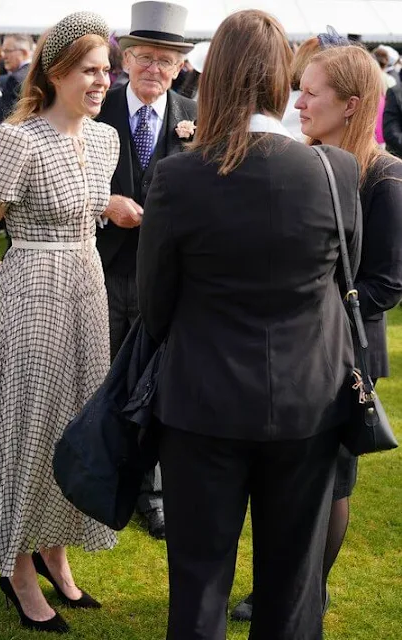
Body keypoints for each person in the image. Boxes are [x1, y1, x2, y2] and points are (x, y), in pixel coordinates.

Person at [137, 10, 362, 640]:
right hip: (306, 403)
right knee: (292, 591)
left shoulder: (180, 175)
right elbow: (341, 280)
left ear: (213, 78)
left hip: (203, 403)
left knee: (200, 585)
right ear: (278, 79)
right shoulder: (334, 171)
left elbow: (156, 306)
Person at [0, 12, 119, 634]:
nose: (103, 80)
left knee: (78, 423)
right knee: (27, 426)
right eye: (90, 70)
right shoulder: (16, 139)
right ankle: (18, 564)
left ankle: (56, 548)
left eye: (107, 69)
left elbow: (90, 201)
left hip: (88, 286)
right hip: (29, 288)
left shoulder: (104, 139)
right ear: (56, 72)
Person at [294, 41, 402, 614]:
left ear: (353, 105)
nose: (300, 101)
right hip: (303, 348)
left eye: (312, 93)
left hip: (349, 355)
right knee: (297, 478)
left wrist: (316, 312)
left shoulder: (385, 179)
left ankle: (306, 590)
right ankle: (292, 586)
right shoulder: (307, 161)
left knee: (332, 483)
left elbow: (388, 282)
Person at [96, 0, 197, 540]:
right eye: (143, 56)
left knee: (157, 382)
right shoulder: (97, 109)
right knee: (102, 375)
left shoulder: (196, 118)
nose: (154, 67)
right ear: (125, 59)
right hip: (101, 270)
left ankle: (152, 490)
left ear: (179, 66)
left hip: (167, 278)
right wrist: (104, 201)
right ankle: (102, 474)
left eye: (165, 59)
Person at [0, 33, 33, 117]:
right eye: (3, 51)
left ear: (24, 52)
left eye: (7, 51)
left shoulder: (15, 79)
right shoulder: (40, 73)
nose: (3, 56)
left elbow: (9, 118)